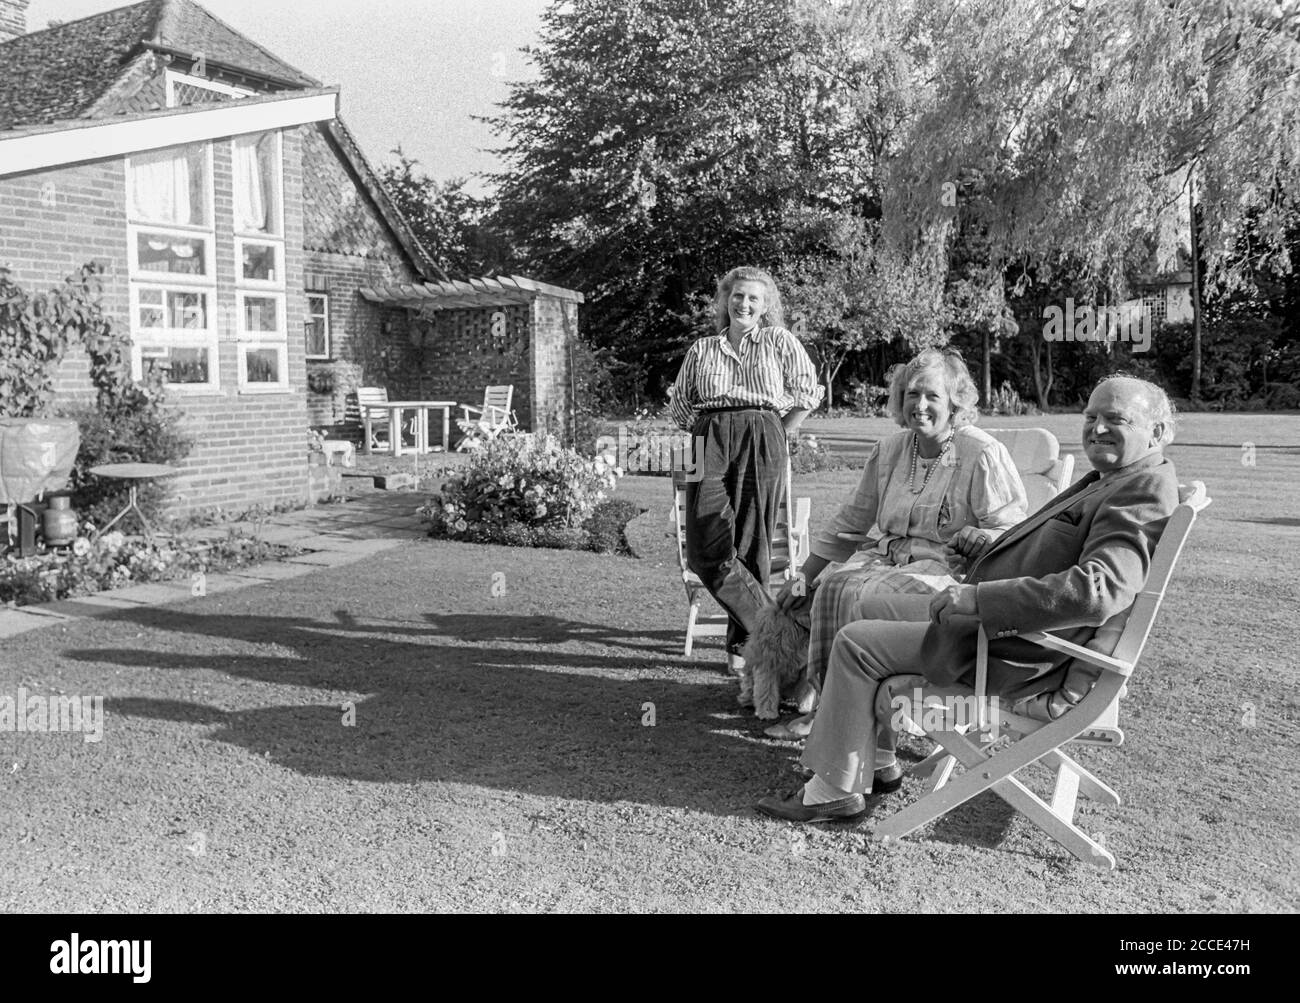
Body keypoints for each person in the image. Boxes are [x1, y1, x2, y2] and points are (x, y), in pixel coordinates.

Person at [755, 375, 1181, 822]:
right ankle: (875, 763)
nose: (1096, 429)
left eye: (1115, 419)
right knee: (856, 602)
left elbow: (1099, 590)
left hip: (1014, 649)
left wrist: (979, 600)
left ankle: (832, 789)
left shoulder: (1141, 490)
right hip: (1002, 632)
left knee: (856, 643)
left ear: (1157, 431)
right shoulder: (1115, 478)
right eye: (1090, 417)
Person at [759, 348, 1028, 738]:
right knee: (833, 586)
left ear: (954, 402)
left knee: (862, 592)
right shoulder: (890, 450)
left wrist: (981, 536)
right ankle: (828, 706)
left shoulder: (981, 452)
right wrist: (803, 576)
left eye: (932, 396)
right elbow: (850, 522)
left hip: (944, 570)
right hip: (886, 557)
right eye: (911, 395)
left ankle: (858, 718)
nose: (920, 405)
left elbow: (1012, 528)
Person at [668, 266, 824, 675]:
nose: (744, 304)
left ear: (766, 305)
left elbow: (809, 392)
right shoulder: (702, 349)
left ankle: (743, 648)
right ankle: (780, 635)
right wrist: (711, 431)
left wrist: (774, 432)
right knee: (705, 549)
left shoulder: (778, 341)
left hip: (762, 432)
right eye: (737, 296)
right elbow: (680, 406)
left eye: (754, 298)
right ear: (724, 300)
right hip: (707, 437)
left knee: (753, 544)